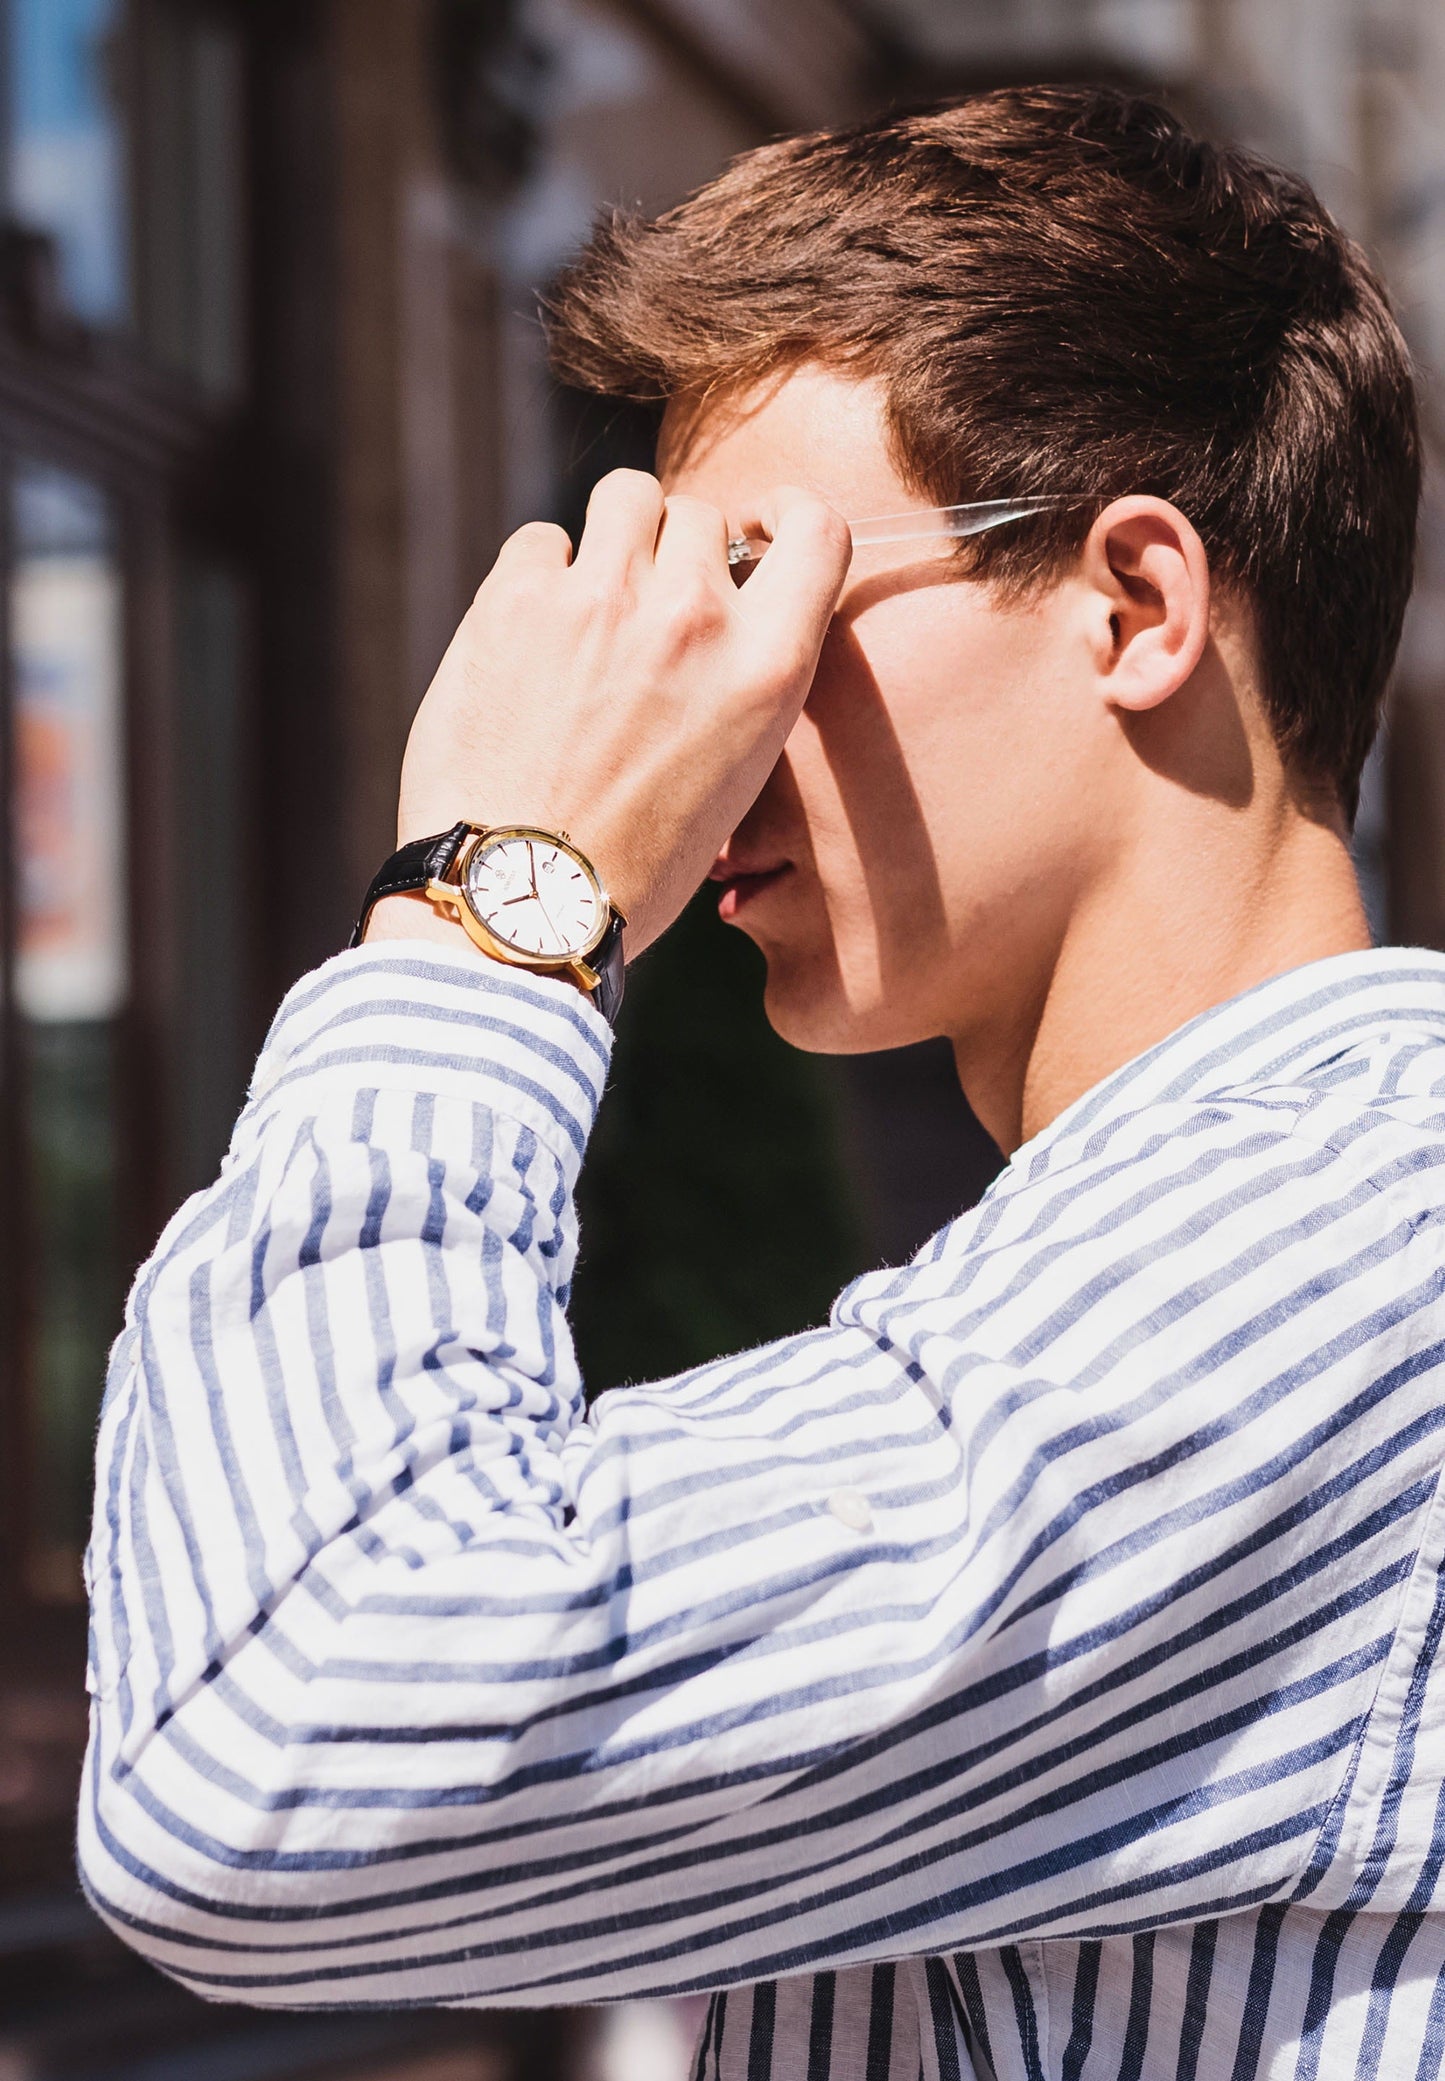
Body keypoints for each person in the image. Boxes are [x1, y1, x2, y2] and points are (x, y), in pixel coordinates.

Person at [78, 84, 1442, 2081]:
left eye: (767, 598)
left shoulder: (1327, 1257)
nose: (696, 715)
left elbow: (273, 1757)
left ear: (1137, 606)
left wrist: (494, 899)